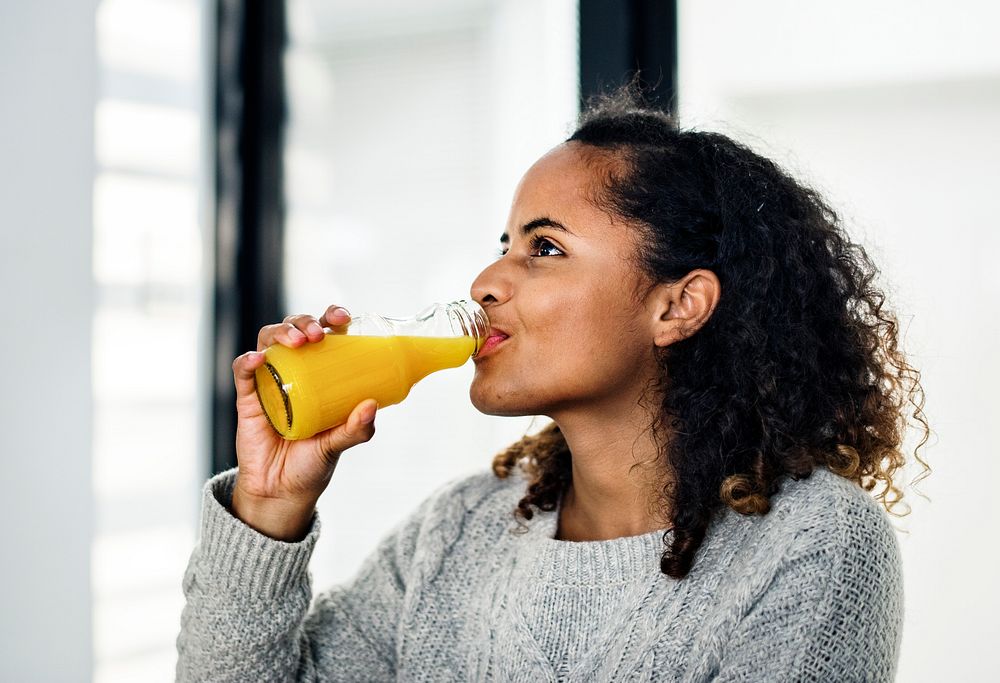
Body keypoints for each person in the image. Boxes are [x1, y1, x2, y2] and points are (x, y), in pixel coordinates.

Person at [176, 87, 929, 682]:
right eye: (503, 244)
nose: (485, 281)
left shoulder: (813, 546)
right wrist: (268, 507)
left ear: (677, 305)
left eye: (544, 247)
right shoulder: (457, 532)